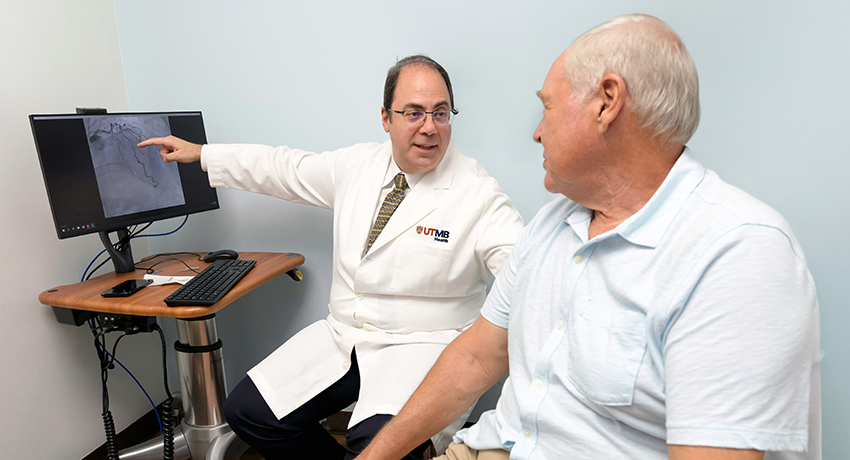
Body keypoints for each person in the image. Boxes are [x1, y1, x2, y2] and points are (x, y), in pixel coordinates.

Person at [355, 14, 821, 460]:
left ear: (607, 102)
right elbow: (476, 358)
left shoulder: (736, 255)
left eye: (548, 107)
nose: (537, 133)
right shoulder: (552, 223)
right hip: (491, 447)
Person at [138, 55, 524, 459]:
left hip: (422, 346)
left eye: (440, 113)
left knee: (376, 448)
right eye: (413, 113)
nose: (429, 127)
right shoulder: (358, 166)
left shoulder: (478, 195)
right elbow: (284, 168)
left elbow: (524, 277)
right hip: (344, 336)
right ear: (386, 118)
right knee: (248, 412)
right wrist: (202, 154)